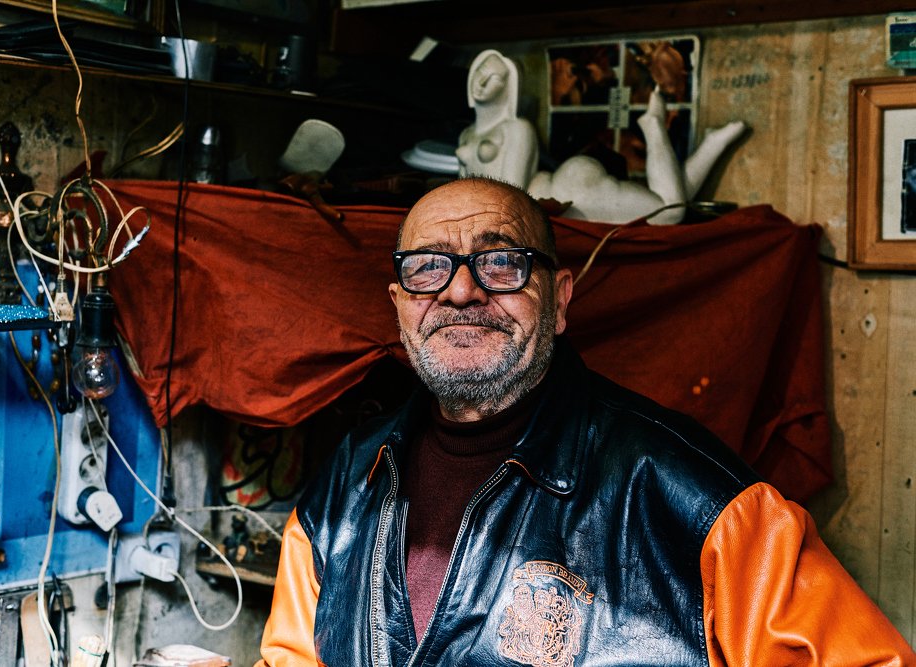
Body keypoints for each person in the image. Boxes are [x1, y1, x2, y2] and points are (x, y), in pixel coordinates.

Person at [256, 177, 915, 666]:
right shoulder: (344, 487)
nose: (460, 290)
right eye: (428, 267)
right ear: (400, 305)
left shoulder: (698, 501)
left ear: (560, 299)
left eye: (500, 261)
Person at [530, 86, 747, 224]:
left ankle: (653, 124)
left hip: (570, 197)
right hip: (560, 193)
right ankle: (711, 144)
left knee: (670, 211)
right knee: (671, 203)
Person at [456, 50, 539, 190]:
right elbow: (461, 188)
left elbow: (513, 192)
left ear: (507, 88)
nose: (482, 83)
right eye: (480, 72)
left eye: (494, 79)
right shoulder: (465, 134)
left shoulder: (518, 129)